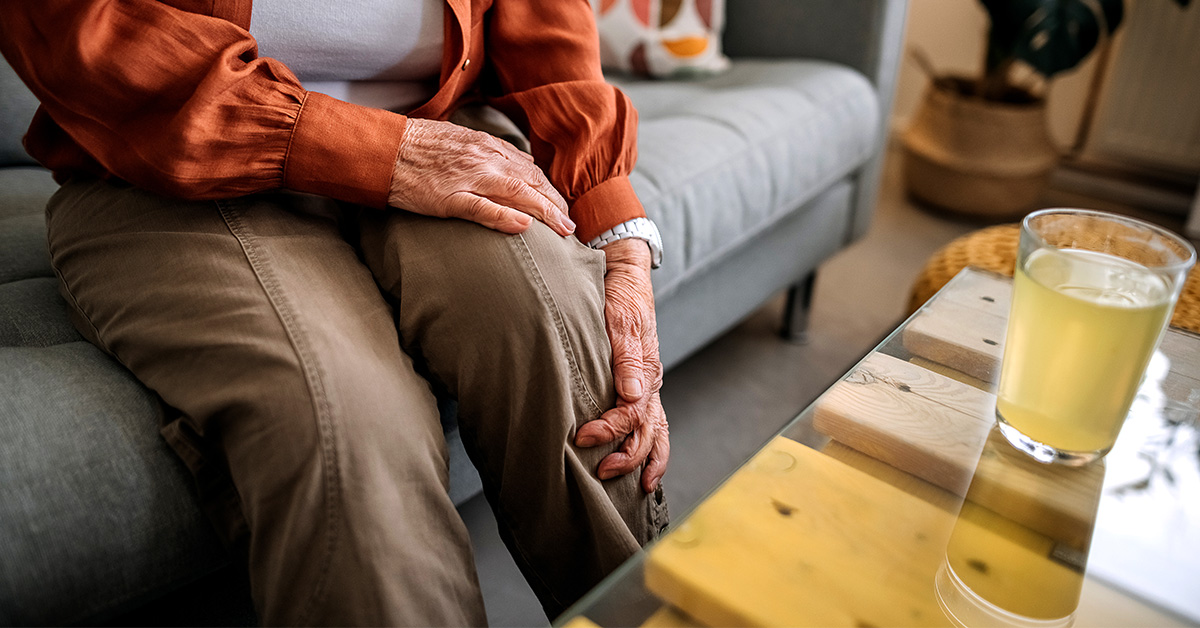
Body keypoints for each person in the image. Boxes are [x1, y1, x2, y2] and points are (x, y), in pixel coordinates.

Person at [0, 0, 670, 624]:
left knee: (559, 335)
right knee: (343, 418)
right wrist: (374, 152)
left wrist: (613, 222)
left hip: (438, 122)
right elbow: (81, 29)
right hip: (166, 162)